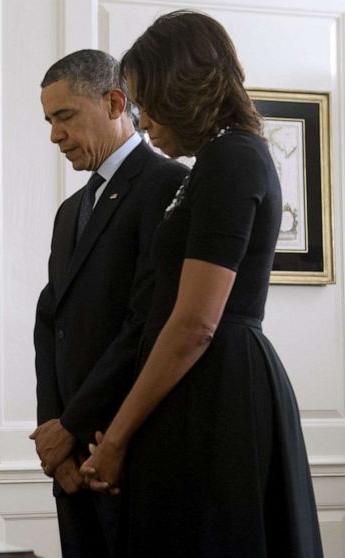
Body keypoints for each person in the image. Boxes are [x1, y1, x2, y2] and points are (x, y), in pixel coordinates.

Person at [80, 11, 324, 557]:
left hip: (218, 391)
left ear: (181, 85)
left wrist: (117, 437)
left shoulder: (232, 158)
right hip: (200, 386)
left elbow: (194, 324)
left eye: (146, 99)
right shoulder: (217, 159)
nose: (141, 120)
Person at [32, 50, 187, 558]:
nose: (54, 134)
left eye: (65, 116)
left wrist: (74, 426)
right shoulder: (68, 211)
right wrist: (57, 440)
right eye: (49, 120)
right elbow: (49, 321)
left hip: (127, 453)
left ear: (116, 101)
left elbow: (147, 322)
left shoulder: (168, 184)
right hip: (70, 461)